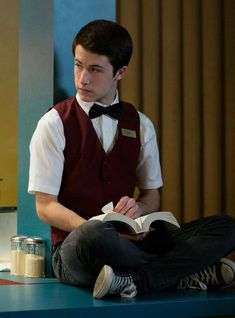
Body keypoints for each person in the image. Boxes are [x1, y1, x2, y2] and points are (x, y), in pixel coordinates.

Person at [28, 19, 235, 299]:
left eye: (94, 69)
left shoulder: (142, 125)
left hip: (133, 244)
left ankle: (137, 280)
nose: (82, 79)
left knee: (225, 227)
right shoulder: (53, 123)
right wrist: (98, 226)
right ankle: (183, 272)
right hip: (78, 249)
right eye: (78, 65)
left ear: (120, 72)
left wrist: (138, 210)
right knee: (95, 235)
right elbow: (45, 206)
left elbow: (151, 194)